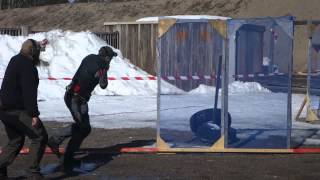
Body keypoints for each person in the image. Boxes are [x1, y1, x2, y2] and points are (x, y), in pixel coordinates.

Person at [47, 46, 117, 172]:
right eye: (111, 58)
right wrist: (104, 71)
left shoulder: (89, 57)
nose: (111, 60)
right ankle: (66, 158)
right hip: (75, 99)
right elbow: (103, 85)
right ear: (107, 58)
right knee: (82, 128)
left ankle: (57, 142)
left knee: (84, 128)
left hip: (76, 97)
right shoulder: (102, 65)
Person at [0, 39, 48, 179]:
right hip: (15, 110)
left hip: (4, 109)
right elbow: (29, 92)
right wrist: (33, 114)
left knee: (16, 140)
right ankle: (32, 172)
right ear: (33, 52)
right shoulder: (28, 66)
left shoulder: (15, 59)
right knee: (39, 136)